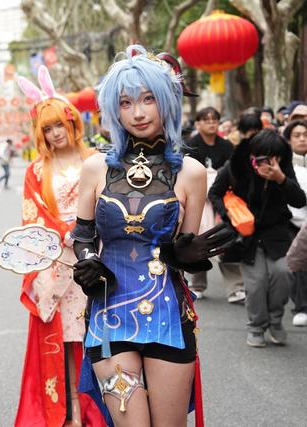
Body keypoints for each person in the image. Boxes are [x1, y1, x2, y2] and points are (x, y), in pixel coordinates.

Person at [73, 46, 233, 426]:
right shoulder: (94, 167)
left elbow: (184, 246)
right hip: (109, 312)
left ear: (166, 101)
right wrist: (87, 262)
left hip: (168, 314)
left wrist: (185, 253)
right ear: (114, 109)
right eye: (126, 103)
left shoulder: (191, 172)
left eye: (148, 99)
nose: (138, 113)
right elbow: (82, 234)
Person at [15, 65, 104, 427]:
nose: (55, 134)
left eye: (59, 125)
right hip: (57, 261)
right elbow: (33, 216)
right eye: (47, 129)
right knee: (66, 339)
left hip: (96, 252)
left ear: (72, 122)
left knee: (98, 332)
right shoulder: (36, 171)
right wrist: (66, 233)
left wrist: (85, 231)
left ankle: (102, 409)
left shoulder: (95, 160)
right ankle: (72, 411)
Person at [208, 129, 306, 347]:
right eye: (262, 157)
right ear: (252, 153)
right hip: (246, 236)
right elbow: (214, 192)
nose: (268, 162)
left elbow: (299, 200)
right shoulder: (235, 166)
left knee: (283, 274)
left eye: (274, 157)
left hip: (277, 235)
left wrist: (281, 179)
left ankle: (275, 320)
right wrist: (228, 215)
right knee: (256, 283)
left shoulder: (282, 168)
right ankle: (256, 326)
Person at [183, 106, 244, 303]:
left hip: (222, 198)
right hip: (198, 200)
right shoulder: (190, 145)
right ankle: (197, 284)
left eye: (214, 119)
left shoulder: (226, 146)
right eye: (206, 119)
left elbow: (234, 171)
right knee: (198, 238)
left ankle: (235, 287)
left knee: (228, 240)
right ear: (198, 123)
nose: (211, 123)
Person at [284, 119, 307, 326]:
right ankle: (301, 307)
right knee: (297, 265)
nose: (302, 139)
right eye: (297, 135)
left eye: (305, 135)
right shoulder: (284, 164)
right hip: (292, 223)